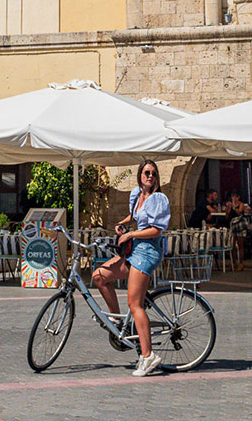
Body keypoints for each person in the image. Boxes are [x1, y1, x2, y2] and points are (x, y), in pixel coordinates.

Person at [91, 159, 170, 377]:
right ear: (140, 174)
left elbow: (155, 230)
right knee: (99, 276)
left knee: (135, 304)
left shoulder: (158, 199)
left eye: (153, 173)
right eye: (146, 172)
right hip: (133, 250)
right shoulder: (137, 195)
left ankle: (148, 356)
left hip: (147, 252)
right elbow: (135, 217)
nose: (150, 176)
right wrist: (123, 224)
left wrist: (131, 233)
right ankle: (118, 323)